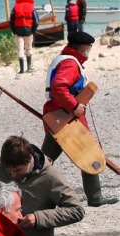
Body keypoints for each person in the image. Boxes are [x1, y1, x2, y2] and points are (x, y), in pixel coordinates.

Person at [42, 30, 117, 207]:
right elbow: (59, 87)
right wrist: (74, 106)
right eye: (89, 47)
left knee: (44, 161)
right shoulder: (69, 63)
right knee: (88, 152)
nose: (89, 51)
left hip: (59, 115)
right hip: (65, 118)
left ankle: (22, 188)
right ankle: (95, 198)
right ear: (83, 46)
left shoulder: (65, 59)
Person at [9, 0, 40, 74]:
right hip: (28, 30)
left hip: (18, 31)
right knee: (28, 48)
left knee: (20, 49)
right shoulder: (32, 8)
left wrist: (14, 31)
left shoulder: (15, 8)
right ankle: (29, 68)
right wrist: (33, 31)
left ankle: (22, 69)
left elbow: (11, 21)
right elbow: (36, 21)